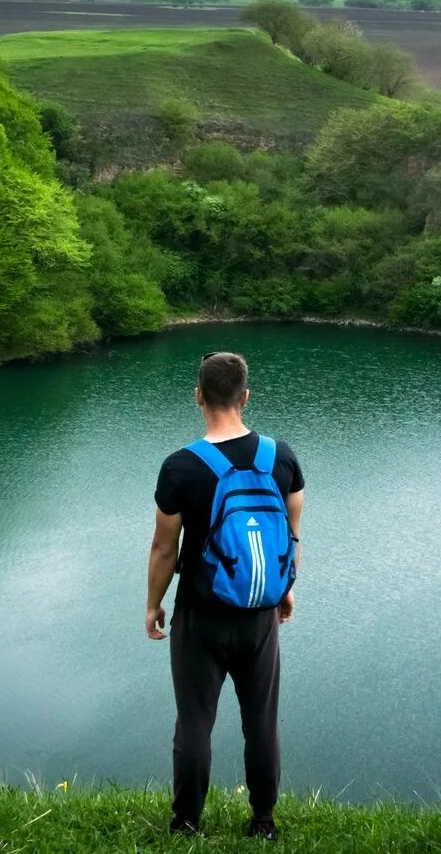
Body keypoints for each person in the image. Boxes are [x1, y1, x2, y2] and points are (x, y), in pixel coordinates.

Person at [147, 350, 304, 840]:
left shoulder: (181, 467)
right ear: (245, 397)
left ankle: (186, 823)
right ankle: (263, 822)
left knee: (195, 722)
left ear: (198, 396)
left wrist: (153, 604)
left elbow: (164, 549)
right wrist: (284, 590)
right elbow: (291, 534)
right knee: (261, 722)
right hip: (259, 615)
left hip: (201, 615)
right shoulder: (281, 457)